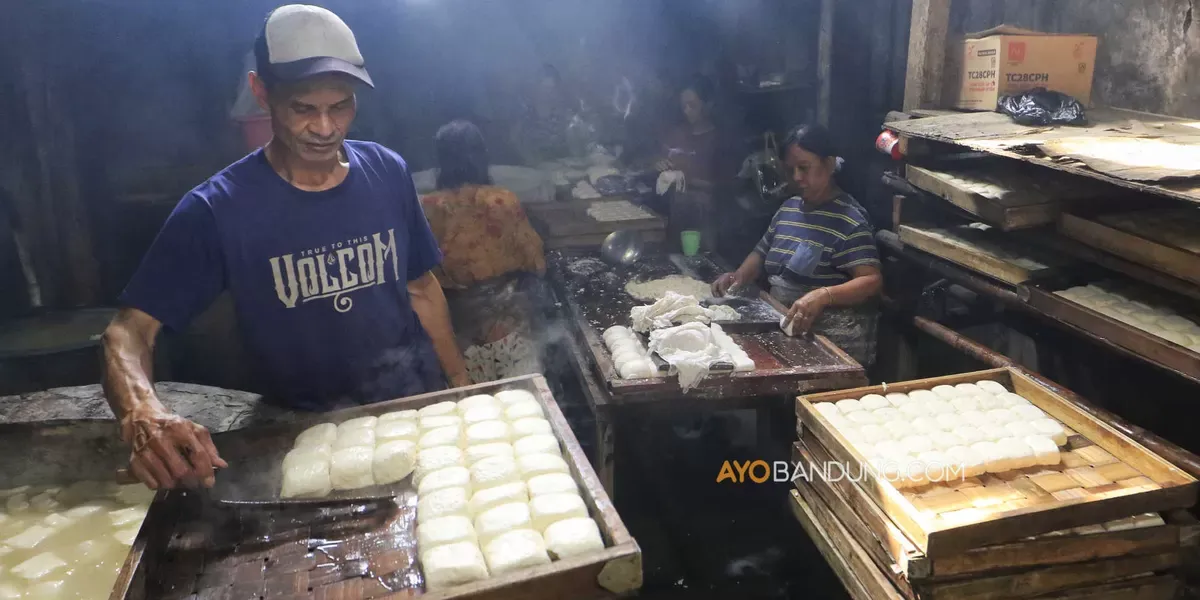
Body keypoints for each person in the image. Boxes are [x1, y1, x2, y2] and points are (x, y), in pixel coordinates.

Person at [102, 5, 470, 491]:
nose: (326, 127)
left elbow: (421, 289)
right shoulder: (219, 209)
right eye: (303, 108)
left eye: (341, 106)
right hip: (309, 437)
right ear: (261, 93)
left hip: (412, 410)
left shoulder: (386, 172)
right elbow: (128, 332)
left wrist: (461, 388)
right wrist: (142, 409)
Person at [713, 124, 883, 365]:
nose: (796, 177)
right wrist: (737, 277)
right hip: (785, 333)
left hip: (829, 345)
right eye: (790, 169)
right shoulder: (788, 209)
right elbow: (761, 252)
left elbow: (871, 281)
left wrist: (822, 296)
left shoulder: (850, 220)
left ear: (829, 164)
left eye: (804, 168)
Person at [421, 120, 547, 384]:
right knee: (524, 400)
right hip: (509, 328)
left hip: (459, 335)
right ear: (482, 155)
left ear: (441, 160)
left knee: (475, 405)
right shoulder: (502, 200)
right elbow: (535, 262)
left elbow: (422, 280)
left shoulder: (428, 207)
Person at [511, 64, 575, 165]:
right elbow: (515, 142)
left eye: (552, 89)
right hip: (533, 169)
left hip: (567, 167)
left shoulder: (569, 115)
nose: (548, 94)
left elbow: (577, 148)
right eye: (545, 89)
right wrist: (534, 163)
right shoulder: (525, 116)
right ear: (536, 88)